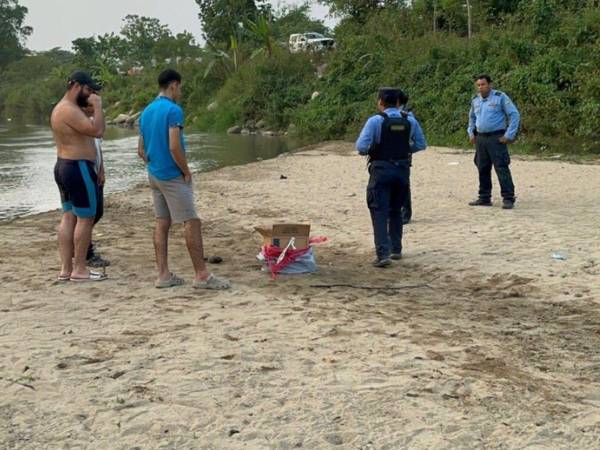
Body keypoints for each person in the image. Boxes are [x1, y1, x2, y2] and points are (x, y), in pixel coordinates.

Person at [138, 69, 230, 289]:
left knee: (162, 222)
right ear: (173, 85)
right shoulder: (173, 111)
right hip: (171, 175)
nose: (180, 92)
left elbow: (141, 150)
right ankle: (201, 275)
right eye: (180, 87)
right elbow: (174, 145)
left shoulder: (147, 111)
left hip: (154, 174)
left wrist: (153, 163)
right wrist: (186, 170)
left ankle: (163, 275)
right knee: (191, 221)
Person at [356, 88, 427, 267]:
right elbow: (420, 144)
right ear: (398, 103)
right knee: (395, 211)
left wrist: (378, 148)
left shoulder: (374, 121)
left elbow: (361, 147)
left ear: (380, 102)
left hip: (381, 170)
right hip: (402, 170)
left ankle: (383, 254)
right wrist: (403, 149)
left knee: (379, 212)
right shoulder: (410, 120)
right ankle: (396, 249)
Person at [51, 70, 107, 282]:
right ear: (76, 86)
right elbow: (97, 131)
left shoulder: (63, 108)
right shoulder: (70, 110)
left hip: (63, 165)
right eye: (88, 90)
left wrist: (93, 107)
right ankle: (80, 269)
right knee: (86, 218)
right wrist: (98, 106)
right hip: (78, 167)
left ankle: (66, 269)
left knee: (69, 216)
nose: (91, 94)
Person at [467, 74, 520, 209]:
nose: (480, 88)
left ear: (490, 85)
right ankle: (484, 197)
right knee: (482, 167)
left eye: (483, 84)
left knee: (501, 167)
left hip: (496, 138)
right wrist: (471, 132)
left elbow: (514, 114)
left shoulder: (500, 97)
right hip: (481, 138)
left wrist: (509, 135)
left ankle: (508, 198)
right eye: (478, 85)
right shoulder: (475, 101)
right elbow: (472, 118)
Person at [81, 105, 110, 268]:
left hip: (95, 172)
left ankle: (84, 245)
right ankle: (86, 251)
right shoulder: (82, 124)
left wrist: (102, 170)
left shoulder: (93, 123)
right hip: (85, 172)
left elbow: (99, 148)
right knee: (89, 215)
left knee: (97, 212)